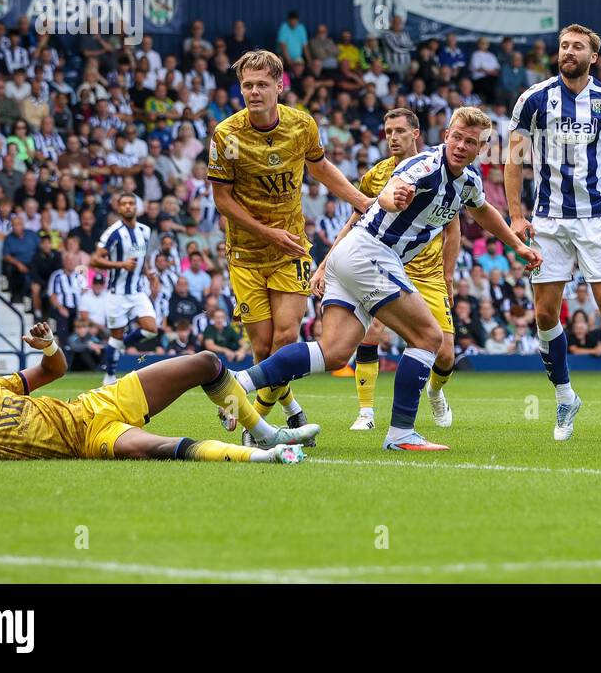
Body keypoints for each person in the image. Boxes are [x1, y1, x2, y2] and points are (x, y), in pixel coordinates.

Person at [226, 107, 540, 451]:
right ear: (445, 135)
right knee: (428, 337)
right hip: (369, 254)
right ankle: (402, 433)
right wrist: (394, 199)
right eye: (457, 137)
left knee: (333, 353)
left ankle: (240, 381)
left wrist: (517, 246)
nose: (461, 145)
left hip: (353, 258)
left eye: (471, 142)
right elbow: (393, 191)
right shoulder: (422, 166)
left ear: (480, 149)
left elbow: (483, 212)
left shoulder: (468, 182)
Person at [208, 49, 374, 444]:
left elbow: (319, 168)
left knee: (285, 339)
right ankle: (291, 410)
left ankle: (254, 430)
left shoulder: (301, 125)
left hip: (291, 250)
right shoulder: (226, 135)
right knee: (263, 349)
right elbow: (223, 200)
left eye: (262, 84)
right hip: (246, 255)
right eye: (247, 85)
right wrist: (267, 233)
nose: (253, 92)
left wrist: (359, 201)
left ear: (279, 86)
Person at [504, 24, 601, 442]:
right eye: (564, 46)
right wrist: (515, 215)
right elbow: (514, 160)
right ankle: (566, 396)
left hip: (595, 219)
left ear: (594, 57)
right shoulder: (533, 99)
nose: (569, 51)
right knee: (545, 314)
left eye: (578, 47)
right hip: (547, 222)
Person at [0, 323, 317, 463]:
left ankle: (264, 431)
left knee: (206, 362)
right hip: (88, 440)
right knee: (162, 448)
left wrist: (50, 344)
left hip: (94, 405)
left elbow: (54, 370)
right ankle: (266, 454)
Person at [316, 108, 460, 432]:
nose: (393, 138)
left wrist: (448, 275)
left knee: (446, 354)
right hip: (381, 263)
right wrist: (325, 263)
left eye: (399, 131)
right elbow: (356, 222)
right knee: (370, 333)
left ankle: (435, 392)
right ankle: (366, 412)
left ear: (416, 133)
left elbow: (453, 229)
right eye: (388, 132)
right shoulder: (376, 175)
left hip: (427, 271)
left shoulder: (439, 170)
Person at [90, 193, 158, 385]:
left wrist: (148, 273)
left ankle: (117, 347)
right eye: (124, 204)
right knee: (116, 335)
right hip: (116, 294)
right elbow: (95, 260)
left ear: (136, 207)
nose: (128, 207)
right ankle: (109, 377)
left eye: (131, 204)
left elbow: (140, 258)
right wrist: (121, 265)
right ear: (119, 208)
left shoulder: (145, 230)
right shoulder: (113, 233)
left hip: (137, 292)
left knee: (151, 328)